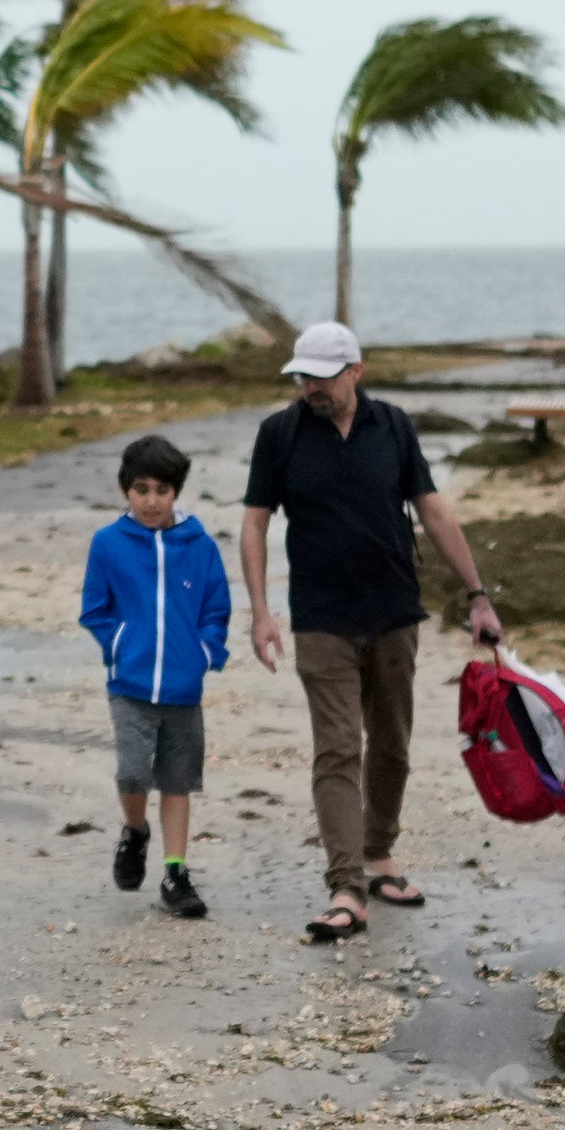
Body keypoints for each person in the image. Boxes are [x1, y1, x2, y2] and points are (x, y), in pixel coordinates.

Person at [234, 318, 501, 940]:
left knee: (392, 746)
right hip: (322, 617)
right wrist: (261, 611)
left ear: (356, 371)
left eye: (323, 376)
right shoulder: (279, 434)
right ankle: (346, 886)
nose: (311, 388)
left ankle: (379, 855)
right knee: (336, 748)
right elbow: (253, 523)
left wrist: (478, 595)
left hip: (394, 612)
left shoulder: (394, 426)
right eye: (303, 376)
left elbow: (432, 509)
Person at [74, 430, 232, 921]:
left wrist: (205, 651)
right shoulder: (108, 544)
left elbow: (216, 606)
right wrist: (120, 645)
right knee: (132, 772)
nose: (151, 501)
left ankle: (176, 872)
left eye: (161, 491)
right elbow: (94, 610)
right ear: (127, 489)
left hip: (184, 688)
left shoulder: (199, 544)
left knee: (178, 780)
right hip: (130, 685)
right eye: (141, 490)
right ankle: (135, 831)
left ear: (176, 493)